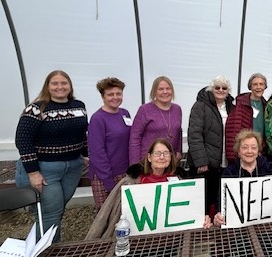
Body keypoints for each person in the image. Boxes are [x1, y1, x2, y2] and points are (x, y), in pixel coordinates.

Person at [15, 70, 88, 243]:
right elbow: (23, 140)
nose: (60, 87)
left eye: (64, 83)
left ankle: (37, 244)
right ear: (47, 86)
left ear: (70, 86)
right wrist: (33, 173)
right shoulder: (36, 109)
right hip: (45, 170)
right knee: (50, 213)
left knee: (56, 211)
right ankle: (48, 250)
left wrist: (86, 155)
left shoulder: (79, 106)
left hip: (72, 167)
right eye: (55, 83)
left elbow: (82, 134)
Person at [86, 139, 211, 239]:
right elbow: (108, 214)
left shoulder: (180, 180)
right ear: (149, 157)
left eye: (166, 153)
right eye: (157, 153)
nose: (162, 157)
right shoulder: (131, 182)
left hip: (172, 239)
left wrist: (202, 218)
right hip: (138, 241)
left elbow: (190, 212)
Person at [213, 130, 272, 226]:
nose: (249, 151)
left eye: (253, 148)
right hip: (239, 228)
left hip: (267, 226)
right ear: (238, 151)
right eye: (244, 148)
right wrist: (218, 217)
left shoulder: (269, 167)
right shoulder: (229, 172)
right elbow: (220, 202)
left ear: (258, 151)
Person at [186, 75, 235, 217]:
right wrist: (201, 161)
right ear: (211, 89)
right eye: (217, 87)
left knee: (221, 202)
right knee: (203, 203)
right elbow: (194, 134)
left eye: (224, 88)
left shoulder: (232, 107)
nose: (220, 90)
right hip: (206, 163)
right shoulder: (200, 106)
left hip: (225, 162)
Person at [87, 77, 131, 210]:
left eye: (118, 93)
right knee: (107, 215)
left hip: (124, 172)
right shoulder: (98, 119)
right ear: (103, 96)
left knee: (125, 212)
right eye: (110, 94)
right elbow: (97, 152)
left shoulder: (125, 114)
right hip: (105, 175)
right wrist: (108, 181)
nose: (115, 97)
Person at [129, 76, 182, 165]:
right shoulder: (145, 110)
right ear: (154, 92)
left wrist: (178, 151)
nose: (165, 92)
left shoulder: (177, 109)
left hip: (168, 161)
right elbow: (135, 138)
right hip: (148, 162)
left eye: (168, 88)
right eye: (160, 89)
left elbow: (178, 132)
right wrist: (135, 164)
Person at [225, 73, 267, 162]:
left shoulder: (266, 105)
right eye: (255, 84)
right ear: (250, 87)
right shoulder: (241, 104)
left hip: (260, 151)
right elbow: (234, 130)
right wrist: (234, 156)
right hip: (245, 152)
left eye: (261, 84)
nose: (258, 87)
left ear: (265, 87)